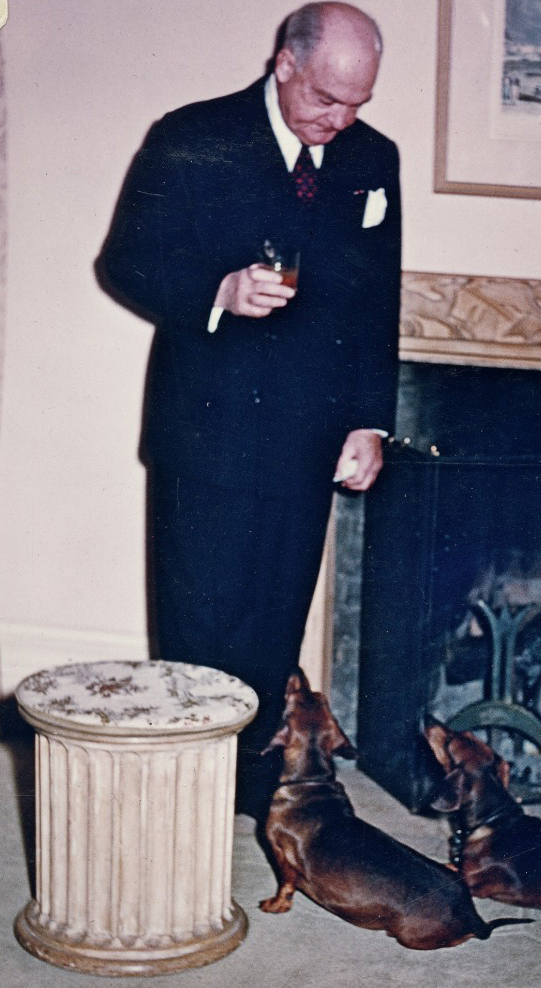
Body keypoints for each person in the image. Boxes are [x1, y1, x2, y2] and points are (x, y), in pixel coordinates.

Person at [97, 2, 401, 818]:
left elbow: (377, 302)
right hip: (208, 434)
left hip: (310, 439)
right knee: (200, 632)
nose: (340, 120)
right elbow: (123, 261)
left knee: (273, 631)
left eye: (356, 103)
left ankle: (252, 801)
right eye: (325, 99)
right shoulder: (193, 136)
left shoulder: (374, 160)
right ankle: (184, 800)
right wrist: (217, 291)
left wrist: (371, 420)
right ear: (285, 66)